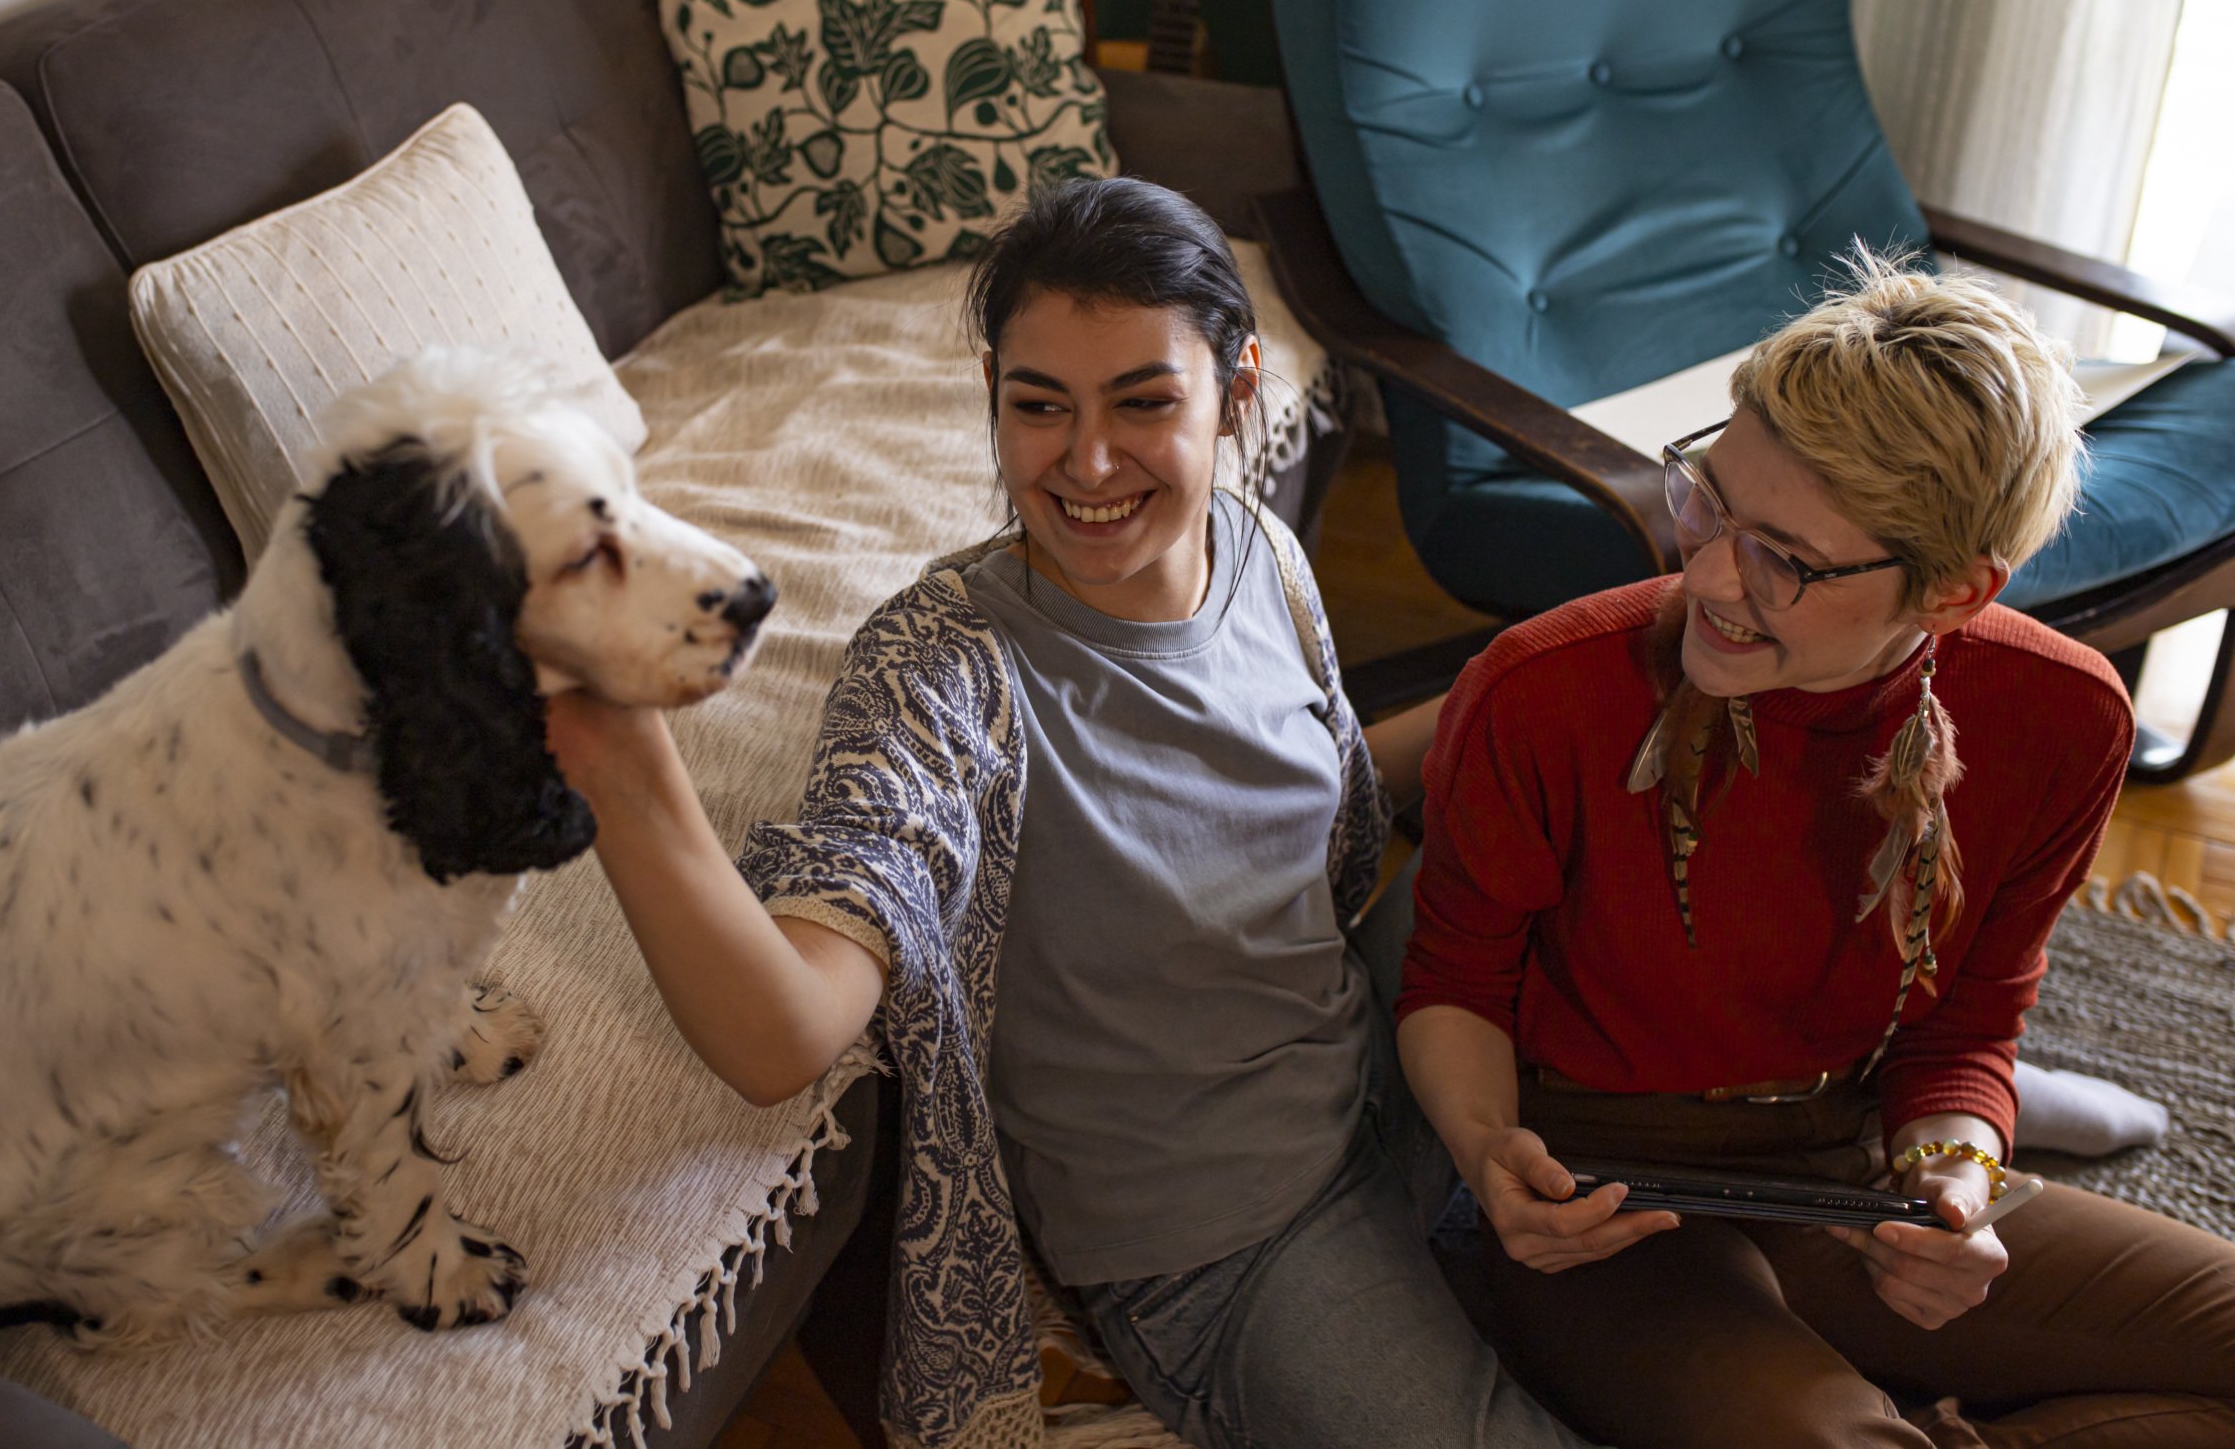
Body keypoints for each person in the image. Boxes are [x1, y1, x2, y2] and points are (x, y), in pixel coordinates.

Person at [545, 178, 1588, 1449]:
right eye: (1038, 405)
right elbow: (782, 1037)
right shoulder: (939, 671)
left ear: (1236, 394)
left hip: (1381, 1068)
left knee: (1591, 807)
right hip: (1220, 1244)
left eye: (1143, 403)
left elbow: (1278, 805)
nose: (1087, 463)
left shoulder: (1258, 549)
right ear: (992, 392)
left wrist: (1535, 682)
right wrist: (620, 763)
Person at [1397, 254, 2235, 1448]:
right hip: (1604, 1193)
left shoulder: (2062, 715)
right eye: (1706, 500)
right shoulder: (1543, 690)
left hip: (1853, 1165)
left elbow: (1969, 1025)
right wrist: (1488, 1155)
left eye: (1783, 559)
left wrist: (1954, 1180)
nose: (1704, 573)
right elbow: (1455, 980)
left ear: (1954, 594)